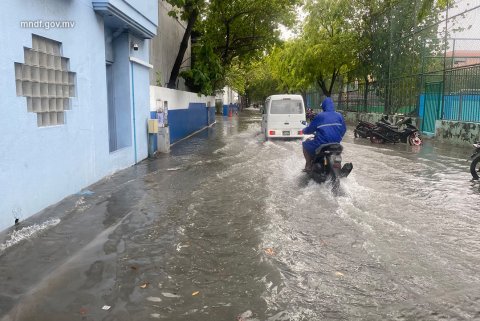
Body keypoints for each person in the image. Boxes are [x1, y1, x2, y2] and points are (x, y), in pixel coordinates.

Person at [302, 97, 346, 171]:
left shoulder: (320, 116)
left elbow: (309, 130)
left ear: (324, 106)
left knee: (305, 145)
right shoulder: (339, 116)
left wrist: (304, 130)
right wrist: (339, 137)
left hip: (321, 143)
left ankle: (308, 165)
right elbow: (344, 129)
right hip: (336, 144)